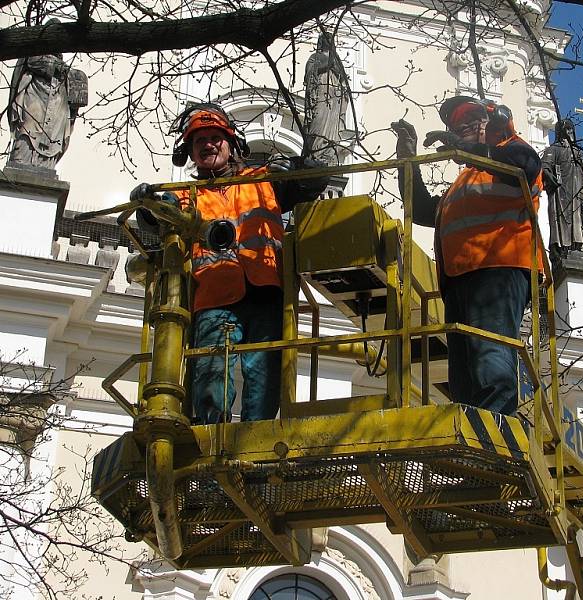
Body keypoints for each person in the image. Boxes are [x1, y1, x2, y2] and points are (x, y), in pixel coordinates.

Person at [132, 103, 327, 424]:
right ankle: (212, 438)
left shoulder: (264, 180)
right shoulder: (184, 194)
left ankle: (256, 438)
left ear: (233, 144)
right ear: (190, 154)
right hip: (214, 298)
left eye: (215, 138)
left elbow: (313, 182)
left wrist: (306, 167)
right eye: (199, 141)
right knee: (210, 375)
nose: (208, 144)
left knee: (263, 377)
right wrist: (146, 202)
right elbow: (156, 219)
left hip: (265, 292)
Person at [390, 96, 543, 416]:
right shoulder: (464, 182)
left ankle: (496, 429)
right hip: (461, 279)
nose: (463, 129)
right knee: (464, 376)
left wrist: (467, 150)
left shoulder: (513, 149)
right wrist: (408, 160)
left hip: (499, 270)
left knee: (491, 362)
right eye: (457, 126)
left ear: (495, 121)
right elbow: (420, 209)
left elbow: (523, 166)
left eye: (472, 121)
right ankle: (473, 427)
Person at [6, 36, 88, 171]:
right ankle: (20, 165)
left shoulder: (65, 71)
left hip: (56, 109)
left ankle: (44, 166)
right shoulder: (32, 56)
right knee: (27, 133)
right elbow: (34, 62)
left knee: (52, 142)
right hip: (34, 101)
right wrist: (55, 67)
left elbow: (74, 101)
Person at [541, 119, 583, 253]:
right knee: (564, 219)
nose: (569, 132)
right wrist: (548, 175)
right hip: (562, 192)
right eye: (566, 129)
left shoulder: (578, 153)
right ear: (560, 133)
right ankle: (564, 247)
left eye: (571, 129)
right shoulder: (554, 149)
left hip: (580, 192)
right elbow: (544, 166)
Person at [303, 31, 350, 165]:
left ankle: (328, 155)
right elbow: (309, 73)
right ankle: (315, 154)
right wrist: (327, 64)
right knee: (318, 124)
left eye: (330, 40)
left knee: (332, 129)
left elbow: (344, 82)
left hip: (335, 99)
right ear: (322, 42)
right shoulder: (315, 56)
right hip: (321, 95)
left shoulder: (338, 61)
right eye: (326, 39)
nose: (328, 42)